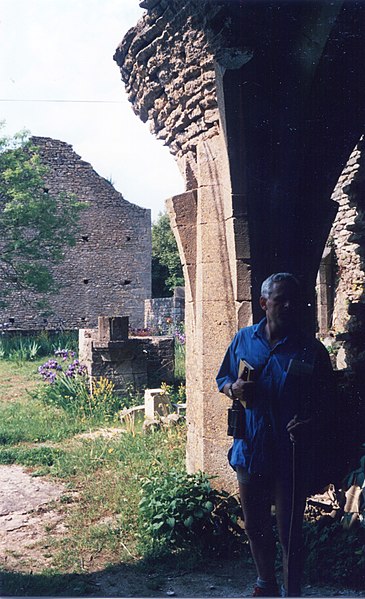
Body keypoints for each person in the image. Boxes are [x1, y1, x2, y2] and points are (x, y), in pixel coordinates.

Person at [216, 273, 335, 598]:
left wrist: (311, 422)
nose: (289, 305)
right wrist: (233, 388)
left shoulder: (311, 350)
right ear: (263, 303)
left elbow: (330, 403)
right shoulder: (243, 340)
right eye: (281, 299)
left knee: (289, 533)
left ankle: (292, 591)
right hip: (250, 447)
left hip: (289, 455)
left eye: (294, 299)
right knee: (255, 526)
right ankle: (265, 583)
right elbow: (223, 377)